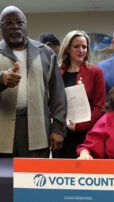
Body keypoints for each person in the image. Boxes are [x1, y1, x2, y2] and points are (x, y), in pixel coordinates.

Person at [0, 6, 66, 157]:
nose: (15, 26)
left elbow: (58, 95)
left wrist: (57, 128)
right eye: (8, 23)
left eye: (19, 22)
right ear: (1, 26)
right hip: (2, 131)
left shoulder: (45, 52)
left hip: (36, 130)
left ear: (26, 25)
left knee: (34, 178)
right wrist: (1, 80)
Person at [56, 30, 106, 158]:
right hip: (61, 134)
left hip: (86, 136)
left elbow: (99, 106)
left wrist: (80, 126)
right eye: (76, 46)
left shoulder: (95, 72)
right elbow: (52, 103)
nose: (81, 50)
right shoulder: (57, 72)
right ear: (67, 48)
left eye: (84, 47)